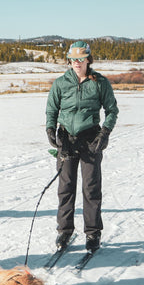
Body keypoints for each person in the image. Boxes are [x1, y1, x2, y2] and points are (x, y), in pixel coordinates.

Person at [45, 41, 119, 253]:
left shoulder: (100, 83)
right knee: (65, 188)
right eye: (73, 59)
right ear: (69, 61)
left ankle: (93, 233)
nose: (77, 63)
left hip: (90, 139)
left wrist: (105, 133)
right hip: (66, 140)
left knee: (91, 188)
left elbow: (112, 110)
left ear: (88, 60)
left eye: (81, 59)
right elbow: (51, 110)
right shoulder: (61, 83)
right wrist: (50, 129)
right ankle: (65, 230)